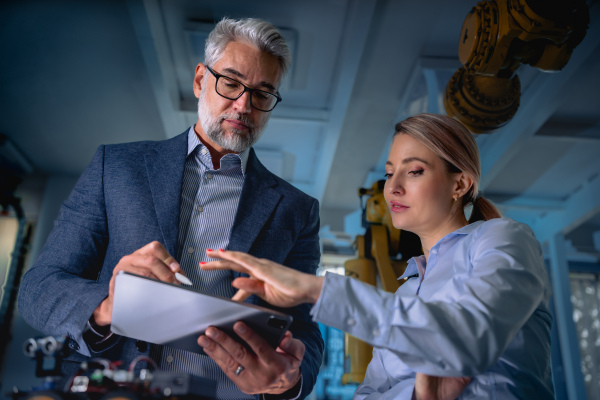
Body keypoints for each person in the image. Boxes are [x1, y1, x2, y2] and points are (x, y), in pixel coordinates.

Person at [18, 17, 323, 400]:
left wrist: (288, 381)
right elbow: (38, 286)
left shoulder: (297, 209)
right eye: (230, 82)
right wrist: (107, 307)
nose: (244, 104)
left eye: (262, 93)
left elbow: (307, 332)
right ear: (200, 80)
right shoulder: (116, 167)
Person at [202, 113, 555, 399]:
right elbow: (369, 394)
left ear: (460, 184)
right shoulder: (405, 292)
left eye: (414, 171)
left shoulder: (504, 238)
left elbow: (470, 338)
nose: (393, 187)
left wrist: (317, 290)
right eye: (389, 173)